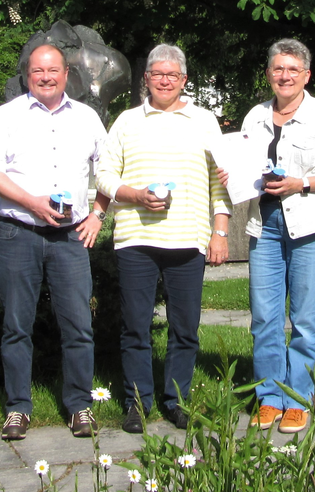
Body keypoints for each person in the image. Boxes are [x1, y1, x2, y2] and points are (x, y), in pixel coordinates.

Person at [0, 43, 110, 440]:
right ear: (27, 75)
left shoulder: (87, 118)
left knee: (79, 326)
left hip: (70, 236)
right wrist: (30, 201)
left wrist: (98, 215)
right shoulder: (8, 115)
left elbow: (109, 171)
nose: (46, 77)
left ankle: (79, 406)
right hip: (19, 233)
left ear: (67, 73)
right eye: (37, 71)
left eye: (53, 70)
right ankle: (17, 408)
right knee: (17, 325)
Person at [220, 39, 315, 433]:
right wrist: (236, 177)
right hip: (265, 226)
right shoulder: (255, 117)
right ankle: (269, 396)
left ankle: (297, 397)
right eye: (278, 69)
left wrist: (303, 183)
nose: (285, 76)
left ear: (306, 75)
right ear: (268, 74)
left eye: (293, 70)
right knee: (264, 316)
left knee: (304, 318)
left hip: (311, 226)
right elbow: (246, 167)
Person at [96, 44, 232, 434]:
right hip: (136, 239)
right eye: (158, 74)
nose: (165, 80)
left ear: (184, 80)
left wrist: (219, 231)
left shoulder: (204, 121)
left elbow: (218, 182)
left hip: (188, 239)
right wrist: (135, 195)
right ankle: (136, 403)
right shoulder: (126, 121)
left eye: (173, 75)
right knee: (136, 326)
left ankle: (177, 400)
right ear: (147, 79)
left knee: (185, 327)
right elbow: (105, 174)